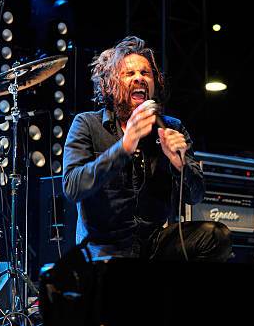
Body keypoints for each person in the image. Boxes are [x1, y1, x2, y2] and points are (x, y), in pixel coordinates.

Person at [62, 36, 231, 261]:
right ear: (110, 84)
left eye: (146, 73)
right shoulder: (86, 124)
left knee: (215, 236)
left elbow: (196, 195)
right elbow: (73, 187)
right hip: (104, 248)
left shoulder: (171, 127)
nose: (139, 78)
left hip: (152, 245)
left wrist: (180, 164)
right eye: (129, 74)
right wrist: (124, 147)